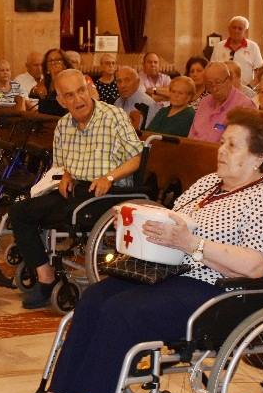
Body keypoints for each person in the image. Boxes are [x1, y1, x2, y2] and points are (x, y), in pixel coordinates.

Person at [4, 109, 263, 393]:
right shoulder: (208, 184)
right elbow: (173, 221)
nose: (221, 150)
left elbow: (255, 266)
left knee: (124, 312)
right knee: (95, 298)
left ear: (259, 157)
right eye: (222, 141)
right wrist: (136, 217)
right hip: (170, 272)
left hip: (218, 290)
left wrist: (192, 244)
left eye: (232, 145)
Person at [9, 69, 144, 309]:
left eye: (81, 91)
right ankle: (46, 277)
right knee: (20, 211)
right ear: (61, 100)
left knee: (67, 212)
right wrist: (66, 175)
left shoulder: (114, 116)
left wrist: (110, 177)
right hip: (74, 190)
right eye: (69, 95)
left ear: (89, 88)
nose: (78, 99)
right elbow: (61, 164)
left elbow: (136, 158)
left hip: (106, 191)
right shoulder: (63, 125)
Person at [188, 62, 254, 142]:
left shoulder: (244, 106)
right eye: (209, 84)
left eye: (218, 82)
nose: (214, 89)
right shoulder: (204, 102)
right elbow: (192, 135)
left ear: (229, 79)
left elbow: (243, 144)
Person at [211, 15, 263, 87]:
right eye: (234, 27)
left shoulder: (253, 47)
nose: (236, 31)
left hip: (245, 89)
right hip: (222, 88)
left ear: (245, 31)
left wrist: (250, 86)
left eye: (240, 28)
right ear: (229, 29)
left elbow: (259, 71)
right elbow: (212, 68)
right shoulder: (219, 46)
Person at [114, 65, 158, 129]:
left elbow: (147, 134)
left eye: (127, 80)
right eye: (119, 81)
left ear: (137, 82)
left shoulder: (148, 104)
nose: (122, 85)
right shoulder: (117, 102)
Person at [28, 48, 68, 116]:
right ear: (47, 67)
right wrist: (36, 90)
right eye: (51, 60)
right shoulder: (45, 82)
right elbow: (32, 93)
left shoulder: (70, 80)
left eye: (58, 60)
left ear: (65, 64)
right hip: (43, 122)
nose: (54, 63)